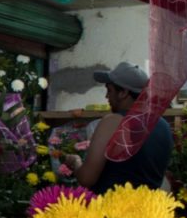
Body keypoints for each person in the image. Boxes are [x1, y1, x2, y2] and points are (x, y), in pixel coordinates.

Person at [63, 62, 173, 194]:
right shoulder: (163, 125)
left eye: (109, 90)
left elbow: (87, 178)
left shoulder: (114, 122)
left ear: (123, 93)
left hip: (114, 204)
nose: (106, 96)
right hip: (148, 204)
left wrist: (75, 162)